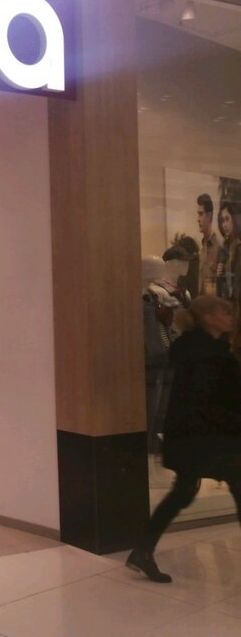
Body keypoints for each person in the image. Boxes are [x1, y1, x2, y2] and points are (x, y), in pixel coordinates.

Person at [127, 295, 241, 583]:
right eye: (225, 312)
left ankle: (142, 550)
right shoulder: (210, 354)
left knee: (183, 492)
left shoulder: (197, 349)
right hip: (210, 438)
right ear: (209, 317)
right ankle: (142, 550)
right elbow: (213, 399)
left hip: (194, 436)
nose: (231, 317)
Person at [196, 194, 222, 296]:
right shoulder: (202, 247)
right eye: (198, 214)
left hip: (214, 303)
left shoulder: (219, 246)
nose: (198, 219)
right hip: (202, 302)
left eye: (201, 214)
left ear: (209, 216)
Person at [216, 201, 240, 300]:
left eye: (227, 219)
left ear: (235, 220)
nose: (224, 225)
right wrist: (219, 274)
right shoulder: (224, 248)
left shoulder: (238, 247)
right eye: (222, 221)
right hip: (226, 302)